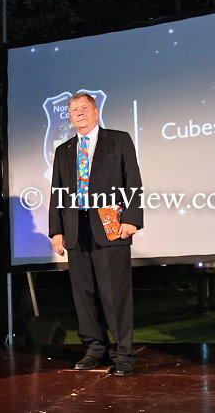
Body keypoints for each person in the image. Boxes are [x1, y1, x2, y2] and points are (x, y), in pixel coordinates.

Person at [49, 92, 143, 377]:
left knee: (115, 294)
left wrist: (132, 219)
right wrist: (56, 230)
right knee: (83, 294)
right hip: (76, 228)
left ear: (95, 111)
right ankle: (94, 348)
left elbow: (133, 180)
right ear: (70, 116)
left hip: (111, 226)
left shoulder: (119, 140)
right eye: (74, 110)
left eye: (84, 108)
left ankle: (123, 354)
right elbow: (57, 192)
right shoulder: (64, 150)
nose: (79, 113)